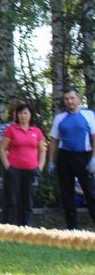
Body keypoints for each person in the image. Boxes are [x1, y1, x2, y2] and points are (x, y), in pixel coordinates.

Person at [48, 87, 95, 229]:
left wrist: (94, 158)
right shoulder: (59, 118)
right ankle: (72, 229)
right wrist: (51, 161)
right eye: (66, 99)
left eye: (72, 98)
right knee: (67, 194)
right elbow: (54, 141)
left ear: (78, 99)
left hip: (84, 156)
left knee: (91, 193)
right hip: (65, 158)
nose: (69, 101)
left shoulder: (89, 115)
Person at [0, 102, 46, 226]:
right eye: (20, 113)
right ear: (17, 115)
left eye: (25, 113)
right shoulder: (11, 130)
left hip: (31, 170)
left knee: (28, 201)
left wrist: (40, 167)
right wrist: (8, 166)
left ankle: (27, 228)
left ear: (30, 115)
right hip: (14, 170)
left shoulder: (36, 131)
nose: (23, 116)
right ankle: (10, 228)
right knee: (12, 201)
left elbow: (42, 150)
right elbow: (2, 148)